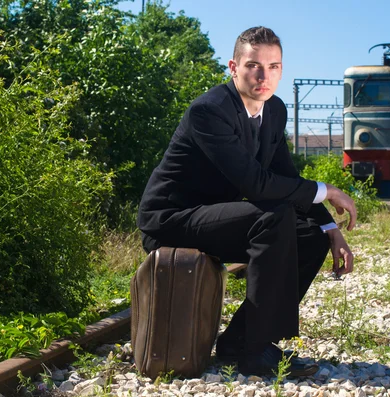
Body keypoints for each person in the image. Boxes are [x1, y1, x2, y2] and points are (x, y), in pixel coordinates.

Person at [136, 26, 356, 376]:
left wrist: (330, 227)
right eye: (253, 65)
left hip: (214, 218)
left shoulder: (274, 111)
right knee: (273, 216)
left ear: (281, 70)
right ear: (233, 67)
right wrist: (329, 189)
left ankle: (240, 340)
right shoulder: (209, 111)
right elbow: (255, 184)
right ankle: (255, 353)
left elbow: (286, 176)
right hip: (172, 219)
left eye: (273, 67)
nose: (263, 75)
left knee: (308, 237)